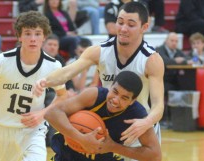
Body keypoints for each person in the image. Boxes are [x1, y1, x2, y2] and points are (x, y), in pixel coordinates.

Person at [34, 2, 164, 159]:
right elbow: (67, 72)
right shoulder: (99, 51)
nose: (123, 28)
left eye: (131, 25)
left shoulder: (151, 60)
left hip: (138, 127)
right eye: (120, 22)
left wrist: (146, 122)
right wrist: (44, 81)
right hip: (107, 125)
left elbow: (158, 105)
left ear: (144, 27)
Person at [0, 11, 68, 161]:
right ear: (19, 36)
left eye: (37, 33)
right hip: (3, 128)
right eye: (27, 33)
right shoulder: (0, 62)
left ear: (44, 36)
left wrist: (42, 113)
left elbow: (62, 96)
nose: (33, 39)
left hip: (33, 130)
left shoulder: (53, 66)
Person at [45, 71, 161, 161]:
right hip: (67, 155)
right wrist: (81, 139)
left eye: (124, 98)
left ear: (132, 101)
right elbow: (51, 113)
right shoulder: (94, 96)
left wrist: (113, 147)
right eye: (115, 92)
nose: (115, 100)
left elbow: (155, 156)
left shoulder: (137, 115)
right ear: (110, 87)